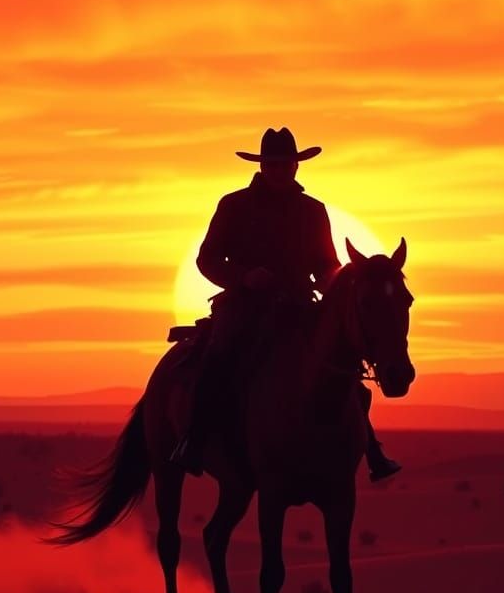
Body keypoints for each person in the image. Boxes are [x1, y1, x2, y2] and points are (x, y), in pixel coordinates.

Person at [171, 126, 401, 481]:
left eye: (286, 164)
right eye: (273, 164)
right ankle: (194, 441)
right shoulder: (234, 205)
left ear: (296, 166)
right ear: (263, 166)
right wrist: (244, 277)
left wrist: (332, 284)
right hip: (243, 306)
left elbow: (326, 263)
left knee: (339, 366)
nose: (280, 170)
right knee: (219, 357)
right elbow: (208, 260)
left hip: (298, 306)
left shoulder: (313, 211)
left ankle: (370, 448)